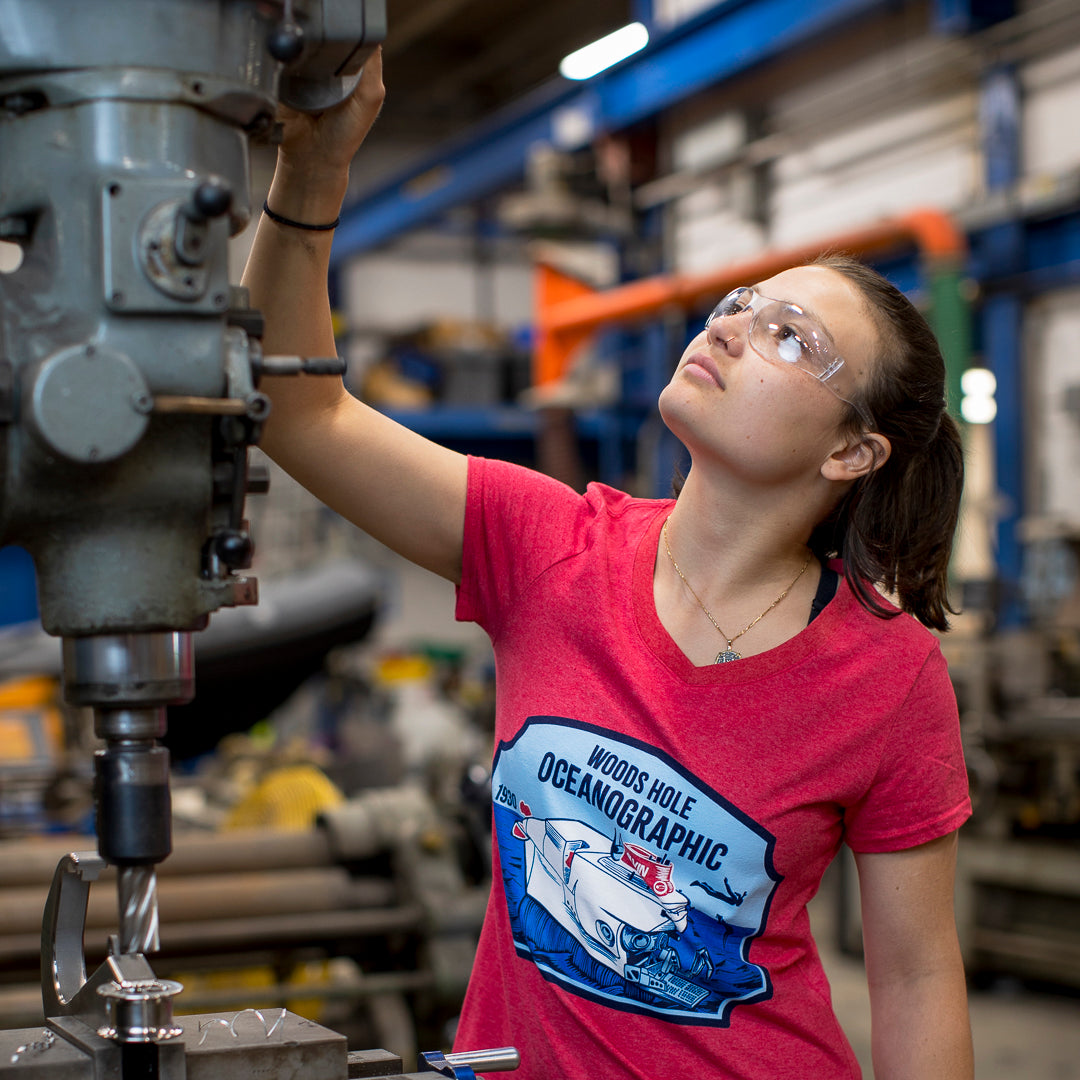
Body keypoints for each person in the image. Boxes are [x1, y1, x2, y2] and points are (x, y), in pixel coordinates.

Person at [243, 49, 974, 1080]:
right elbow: (299, 410)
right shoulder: (547, 546)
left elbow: (916, 977)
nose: (732, 326)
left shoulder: (888, 677)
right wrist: (311, 169)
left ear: (852, 453)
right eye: (742, 302)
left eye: (791, 337)